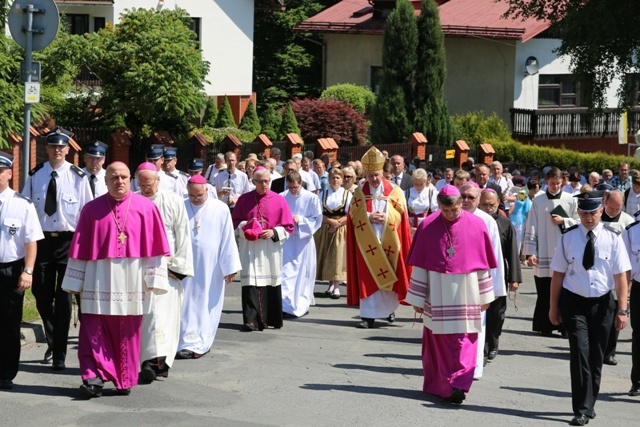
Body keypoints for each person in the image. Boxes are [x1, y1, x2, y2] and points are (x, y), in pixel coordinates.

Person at [61, 162, 171, 398]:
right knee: (92, 329)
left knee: (127, 332)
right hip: (96, 279)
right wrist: (73, 281)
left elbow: (155, 248)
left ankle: (124, 378)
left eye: (123, 177)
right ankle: (93, 377)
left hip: (132, 280)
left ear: (130, 179)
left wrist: (154, 278)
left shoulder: (146, 208)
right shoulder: (91, 209)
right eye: (114, 177)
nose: (119, 181)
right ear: (105, 180)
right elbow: (79, 248)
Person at [406, 184, 497, 404]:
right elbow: (420, 265)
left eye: (454, 210)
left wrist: (486, 296)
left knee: (464, 339)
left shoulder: (476, 224)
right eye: (445, 211)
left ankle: (459, 385)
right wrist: (418, 298)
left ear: (460, 205)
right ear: (439, 206)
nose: (449, 215)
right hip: (436, 291)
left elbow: (482, 265)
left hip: (468, 291)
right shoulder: (428, 225)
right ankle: (440, 385)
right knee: (438, 341)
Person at [549, 191, 630, 426]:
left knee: (596, 356)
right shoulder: (568, 238)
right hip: (574, 302)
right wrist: (553, 307)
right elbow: (558, 275)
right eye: (583, 212)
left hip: (603, 303)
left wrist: (622, 310)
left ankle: (590, 402)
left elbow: (621, 277)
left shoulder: (614, 238)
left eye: (592, 212)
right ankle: (582, 409)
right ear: (578, 212)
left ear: (601, 211)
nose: (587, 217)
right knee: (579, 354)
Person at [22, 127, 93, 370]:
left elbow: (87, 213)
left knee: (63, 299)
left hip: (68, 242)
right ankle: (53, 339)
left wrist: (83, 247)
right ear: (47, 149)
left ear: (68, 149)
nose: (58, 150)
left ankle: (59, 352)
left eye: (62, 146)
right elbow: (26, 211)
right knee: (41, 295)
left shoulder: (78, 177)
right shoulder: (35, 175)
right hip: (41, 242)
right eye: (53, 146)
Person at [135, 163, 194, 383]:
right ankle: (143, 361)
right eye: (141, 184)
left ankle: (157, 364)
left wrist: (176, 267)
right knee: (144, 317)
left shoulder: (173, 201)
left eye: (148, 184)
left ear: (158, 180)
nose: (145, 188)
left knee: (162, 317)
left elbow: (183, 236)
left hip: (167, 270)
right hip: (139, 269)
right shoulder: (132, 201)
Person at [346, 147, 412, 329]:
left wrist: (387, 217)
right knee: (368, 276)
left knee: (389, 273)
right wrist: (368, 217)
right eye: (370, 175)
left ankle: (388, 310)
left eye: (376, 175)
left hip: (388, 239)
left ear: (382, 172)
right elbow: (352, 214)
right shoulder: (360, 191)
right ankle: (367, 316)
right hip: (366, 240)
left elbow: (402, 214)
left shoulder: (395, 190)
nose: (373, 179)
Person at [177, 175, 241, 359]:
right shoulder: (181, 206)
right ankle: (184, 341)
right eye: (192, 196)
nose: (196, 199)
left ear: (207, 190)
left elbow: (228, 238)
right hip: (185, 264)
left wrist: (230, 267)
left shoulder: (220, 208)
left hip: (211, 266)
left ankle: (201, 342)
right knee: (185, 303)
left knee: (207, 302)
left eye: (199, 195)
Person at [231, 167, 294, 331]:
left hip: (269, 248)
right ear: (254, 182)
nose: (265, 184)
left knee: (270, 282)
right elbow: (235, 222)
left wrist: (273, 231)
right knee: (250, 281)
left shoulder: (279, 200)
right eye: (261, 181)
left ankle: (271, 319)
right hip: (250, 246)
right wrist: (248, 228)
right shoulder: (244, 200)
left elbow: (288, 226)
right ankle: (251, 321)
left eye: (267, 181)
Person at [0, 151, 44, 390]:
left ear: (9, 174)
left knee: (9, 323)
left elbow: (30, 242)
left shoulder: (22, 205)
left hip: (10, 270)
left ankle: (6, 373)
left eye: (0, 171)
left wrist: (28, 271)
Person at [524, 167, 579, 336]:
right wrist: (530, 251)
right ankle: (545, 325)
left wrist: (565, 220)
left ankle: (565, 327)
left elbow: (579, 222)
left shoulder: (571, 200)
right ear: (546, 182)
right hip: (544, 251)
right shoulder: (538, 201)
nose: (555, 186)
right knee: (544, 289)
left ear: (562, 182)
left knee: (565, 290)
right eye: (552, 183)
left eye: (558, 184)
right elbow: (531, 225)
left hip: (565, 251)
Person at [479, 189, 522, 361]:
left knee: (497, 313)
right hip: (478, 274)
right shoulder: (475, 220)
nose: (488, 208)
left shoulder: (505, 223)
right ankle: (481, 347)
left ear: (498, 203)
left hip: (498, 273)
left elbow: (512, 252)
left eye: (492, 205)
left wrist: (514, 278)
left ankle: (493, 342)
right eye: (485, 205)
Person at [599, 189, 635, 366]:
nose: (614, 211)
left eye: (617, 208)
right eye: (611, 208)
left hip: (619, 271)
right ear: (605, 202)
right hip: (599, 269)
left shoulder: (628, 222)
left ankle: (610, 352)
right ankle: (596, 348)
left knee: (616, 312)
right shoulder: (596, 217)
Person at [282, 172, 323, 318]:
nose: (293, 190)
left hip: (303, 240)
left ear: (301, 183)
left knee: (303, 273)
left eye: (296, 187)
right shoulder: (282, 197)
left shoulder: (311, 198)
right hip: (287, 240)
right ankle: (285, 305)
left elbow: (317, 219)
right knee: (286, 272)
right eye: (290, 187)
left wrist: (300, 220)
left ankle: (300, 304)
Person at [316, 167, 352, 299]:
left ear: (342, 180)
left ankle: (336, 286)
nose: (335, 180)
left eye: (337, 178)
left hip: (341, 228)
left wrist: (337, 223)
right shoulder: (323, 194)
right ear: (329, 179)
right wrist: (330, 222)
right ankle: (331, 284)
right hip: (326, 227)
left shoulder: (347, 194)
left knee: (337, 256)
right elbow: (318, 213)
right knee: (327, 255)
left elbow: (351, 213)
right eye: (332, 177)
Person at [624, 215, 640, 397]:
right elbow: (625, 267)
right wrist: (624, 298)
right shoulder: (632, 231)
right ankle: (637, 381)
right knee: (639, 336)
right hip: (639, 288)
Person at [405, 168, 438, 232]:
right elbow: (403, 213)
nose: (419, 187)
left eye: (421, 184)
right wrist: (409, 226)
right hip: (410, 228)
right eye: (416, 184)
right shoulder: (406, 193)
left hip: (427, 228)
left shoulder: (432, 194)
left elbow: (435, 214)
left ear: (425, 182)